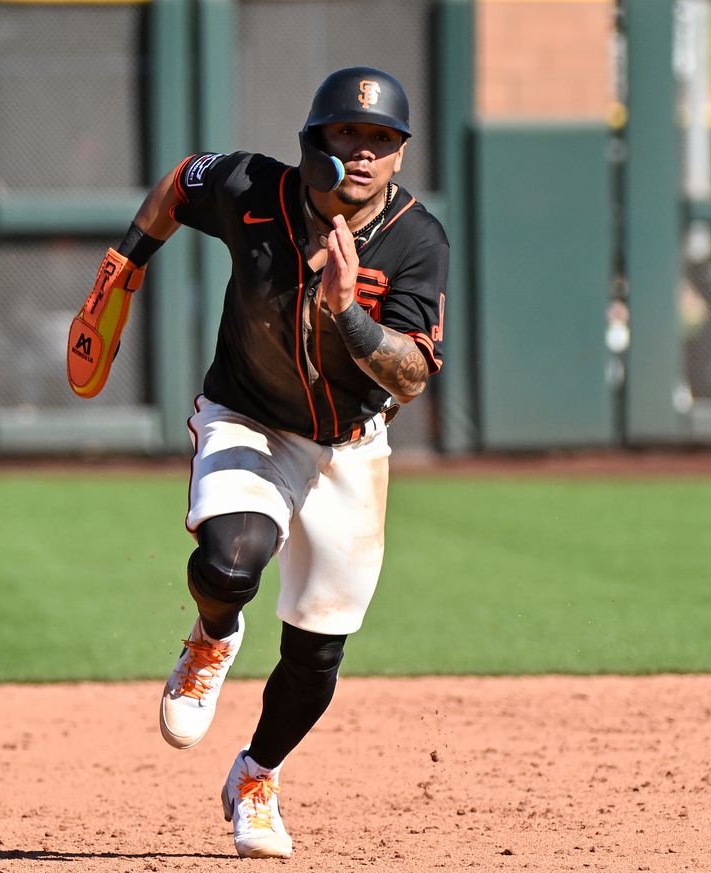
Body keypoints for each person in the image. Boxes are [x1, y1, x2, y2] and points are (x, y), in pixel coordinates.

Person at [78, 66, 448, 859]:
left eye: (382, 140)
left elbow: (414, 375)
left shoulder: (419, 241)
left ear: (400, 156)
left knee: (317, 649)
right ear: (314, 142)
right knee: (230, 558)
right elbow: (182, 182)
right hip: (247, 413)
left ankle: (256, 775)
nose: (363, 152)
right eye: (347, 133)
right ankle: (212, 636)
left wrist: (348, 314)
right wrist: (127, 262)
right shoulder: (253, 189)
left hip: (351, 448)